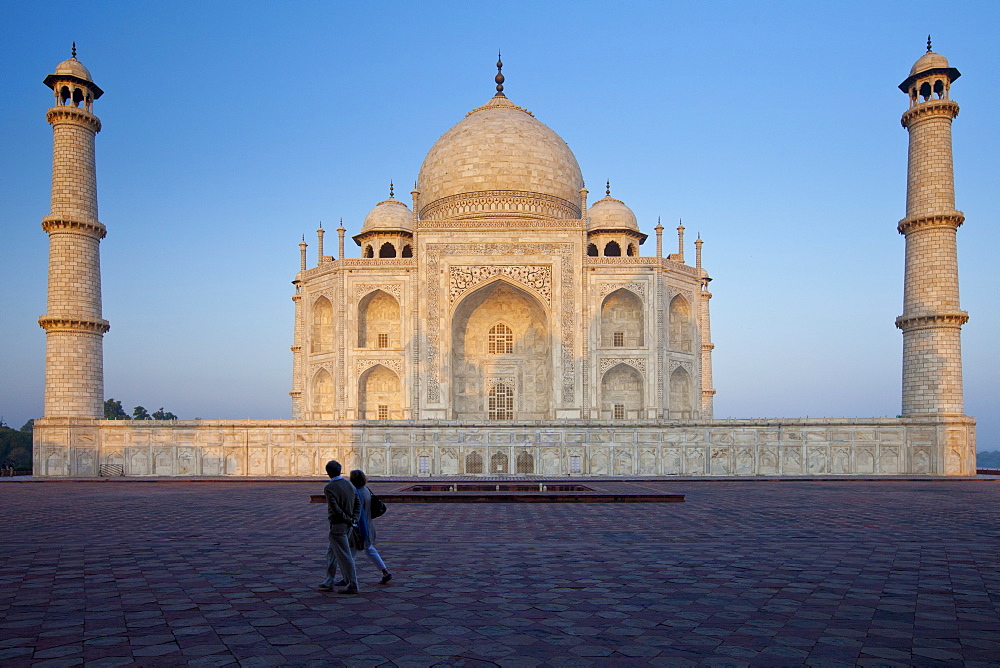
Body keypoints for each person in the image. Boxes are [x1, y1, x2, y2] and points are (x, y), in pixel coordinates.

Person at [319, 460, 360, 594]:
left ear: (328, 473)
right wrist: (354, 519)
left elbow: (335, 508)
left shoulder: (330, 488)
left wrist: (348, 519)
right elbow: (357, 503)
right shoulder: (349, 484)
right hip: (348, 525)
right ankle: (329, 580)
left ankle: (353, 584)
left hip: (338, 525)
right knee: (332, 553)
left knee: (344, 555)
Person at [349, 469, 393, 584]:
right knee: (369, 549)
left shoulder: (356, 493)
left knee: (350, 554)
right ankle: (385, 572)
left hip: (359, 527)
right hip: (368, 525)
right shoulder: (366, 490)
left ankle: (349, 579)